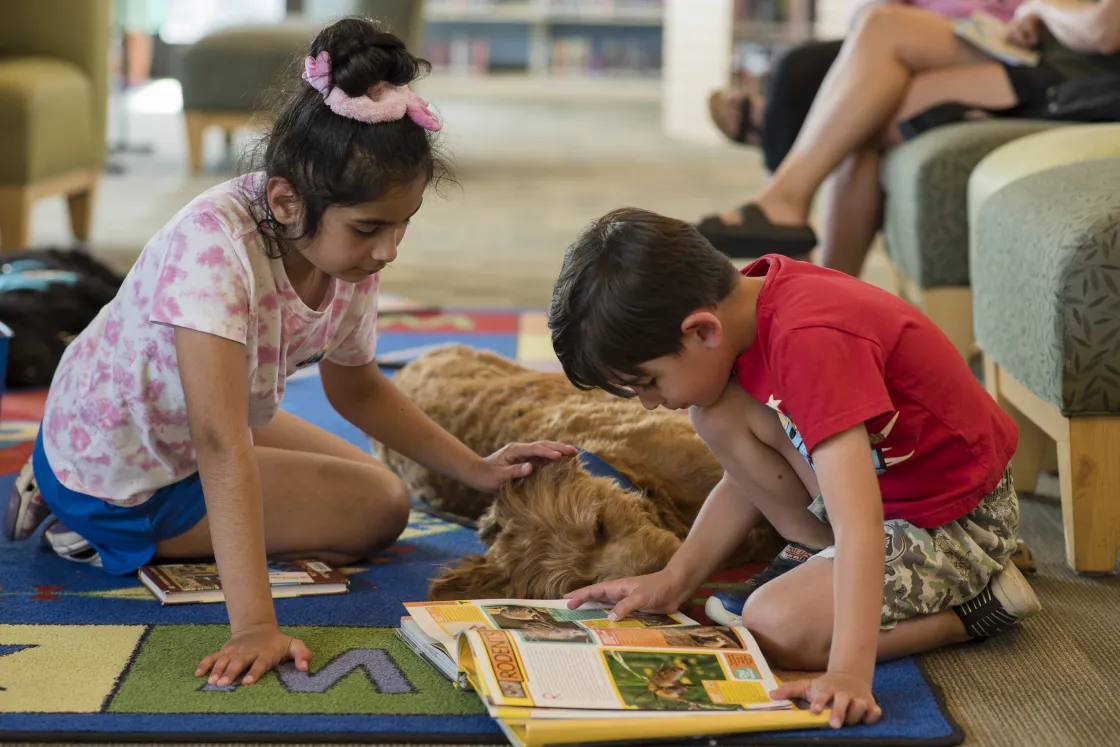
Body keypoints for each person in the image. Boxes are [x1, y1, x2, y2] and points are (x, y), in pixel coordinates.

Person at [1, 17, 575, 688]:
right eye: (371, 229)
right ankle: (82, 521)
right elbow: (221, 443)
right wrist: (254, 625)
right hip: (126, 461)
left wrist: (477, 469)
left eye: (403, 225)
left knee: (370, 485)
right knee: (380, 508)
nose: (390, 249)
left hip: (196, 414)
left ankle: (63, 488)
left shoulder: (345, 251)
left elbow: (356, 389)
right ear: (285, 200)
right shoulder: (212, 251)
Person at [551, 209, 1040, 728]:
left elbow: (860, 524)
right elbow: (744, 480)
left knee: (774, 623)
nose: (649, 404)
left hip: (954, 521)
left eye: (647, 382)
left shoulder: (809, 340)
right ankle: (826, 571)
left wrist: (849, 671)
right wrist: (677, 578)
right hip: (889, 492)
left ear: (702, 331)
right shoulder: (751, 301)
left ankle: (977, 609)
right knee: (715, 411)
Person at [698, 0, 1120, 276]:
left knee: (874, 43)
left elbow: (1104, 29)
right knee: (865, 76)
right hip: (1048, 56)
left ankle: (786, 211)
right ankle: (819, 301)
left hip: (1084, 74)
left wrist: (1041, 8)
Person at [709, 0, 1024, 171]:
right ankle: (823, 285)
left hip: (977, 40)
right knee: (846, 122)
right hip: (907, 38)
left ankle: (779, 185)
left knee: (800, 67)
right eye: (742, 104)